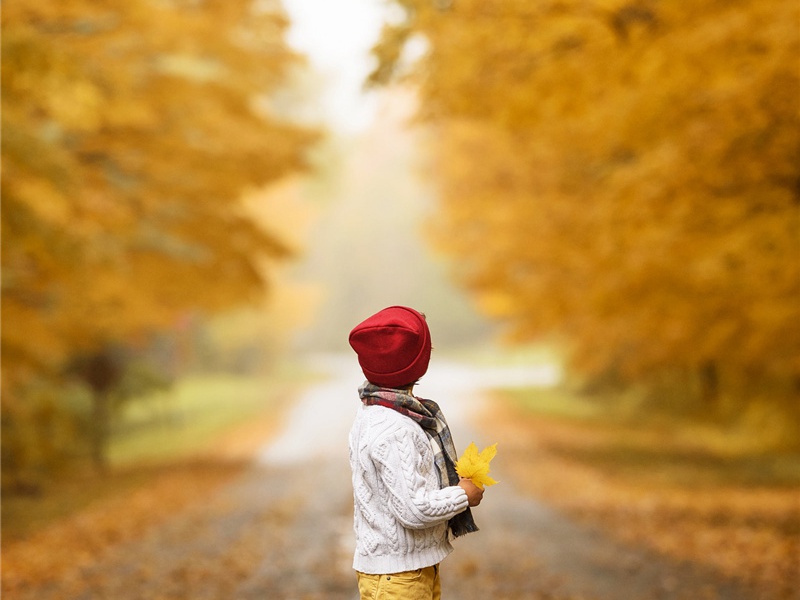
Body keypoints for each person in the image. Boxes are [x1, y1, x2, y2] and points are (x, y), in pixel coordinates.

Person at [348, 305, 484, 600]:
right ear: (419, 363)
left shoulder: (374, 412)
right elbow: (414, 509)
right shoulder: (396, 428)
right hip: (399, 579)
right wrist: (463, 494)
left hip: (407, 569)